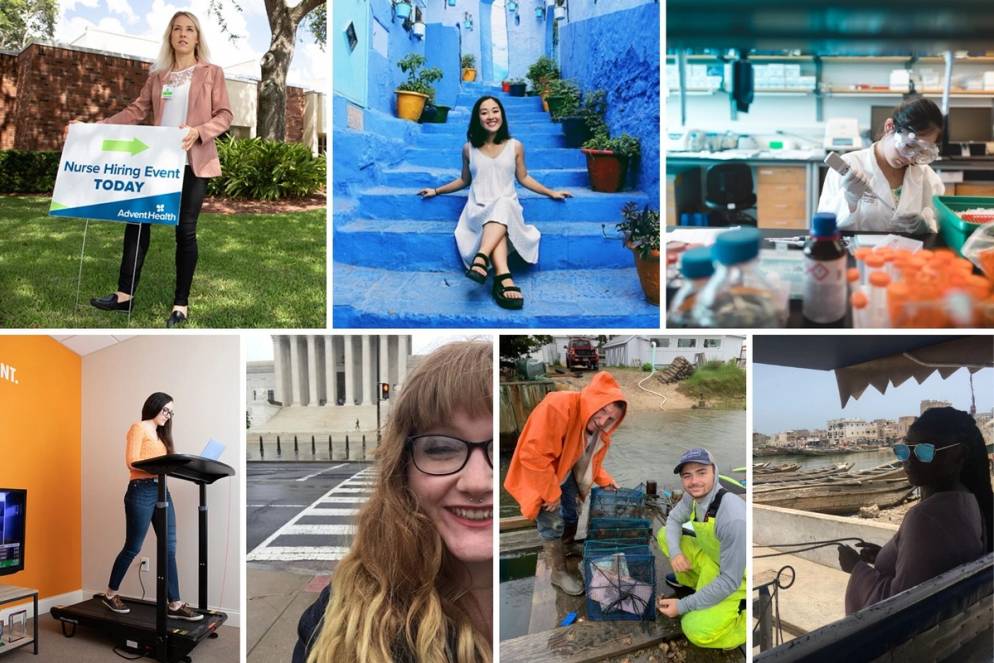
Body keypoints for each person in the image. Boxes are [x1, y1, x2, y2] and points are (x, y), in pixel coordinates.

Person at [294, 341, 493, 663]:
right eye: (441, 448)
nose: (477, 482)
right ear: (403, 469)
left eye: (501, 449)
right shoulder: (337, 619)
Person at [77, 11, 232, 327]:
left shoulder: (212, 73)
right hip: (156, 162)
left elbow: (225, 115)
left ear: (197, 37)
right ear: (170, 36)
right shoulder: (158, 77)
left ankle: (180, 304)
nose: (183, 34)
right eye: (177, 29)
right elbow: (136, 111)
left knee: (185, 231)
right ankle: (124, 296)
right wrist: (94, 128)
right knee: (135, 224)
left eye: (190, 29)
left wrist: (199, 130)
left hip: (193, 160)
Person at [417, 95, 572, 310]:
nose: (491, 116)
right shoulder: (468, 149)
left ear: (502, 115)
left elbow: (524, 177)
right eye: (484, 112)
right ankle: (503, 277)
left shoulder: (515, 146)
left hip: (507, 209)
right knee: (499, 211)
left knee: (503, 204)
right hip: (477, 211)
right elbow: (464, 180)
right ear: (477, 118)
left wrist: (550, 192)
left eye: (495, 111)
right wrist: (436, 190)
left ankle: (482, 259)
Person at [839, 407, 992, 614]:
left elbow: (895, 607)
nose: (909, 459)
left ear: (959, 455)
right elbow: (931, 564)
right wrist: (889, 555)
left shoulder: (926, 518)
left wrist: (856, 568)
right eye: (904, 449)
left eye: (924, 451)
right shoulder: (968, 501)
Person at [504, 371, 626, 595]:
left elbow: (589, 459)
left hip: (564, 470)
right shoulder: (558, 405)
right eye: (602, 411)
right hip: (538, 471)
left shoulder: (597, 431)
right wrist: (551, 494)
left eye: (611, 419)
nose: (602, 421)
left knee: (572, 512)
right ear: (592, 401)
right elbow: (533, 456)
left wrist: (605, 480)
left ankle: (568, 544)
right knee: (552, 521)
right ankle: (557, 572)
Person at [101, 392, 202, 621]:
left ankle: (174, 603)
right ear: (154, 406)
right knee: (133, 547)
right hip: (141, 490)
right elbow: (131, 461)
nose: (168, 415)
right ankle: (110, 594)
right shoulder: (139, 428)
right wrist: (160, 468)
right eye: (166, 410)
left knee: (169, 548)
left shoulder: (161, 435)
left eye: (171, 412)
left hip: (162, 490)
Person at [656, 448, 746, 650]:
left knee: (694, 629)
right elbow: (673, 520)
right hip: (711, 558)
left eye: (701, 472)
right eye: (687, 475)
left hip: (735, 578)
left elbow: (730, 580)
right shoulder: (693, 496)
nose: (694, 481)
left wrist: (682, 606)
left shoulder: (733, 517)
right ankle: (695, 583)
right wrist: (676, 552)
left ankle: (743, 618)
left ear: (715, 471)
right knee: (664, 535)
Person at [818, 97, 945, 234]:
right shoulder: (850, 165)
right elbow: (823, 228)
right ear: (889, 127)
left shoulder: (927, 176)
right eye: (908, 146)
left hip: (908, 254)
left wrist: (926, 226)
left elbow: (940, 227)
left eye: (920, 152)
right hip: (859, 254)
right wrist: (849, 201)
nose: (910, 159)